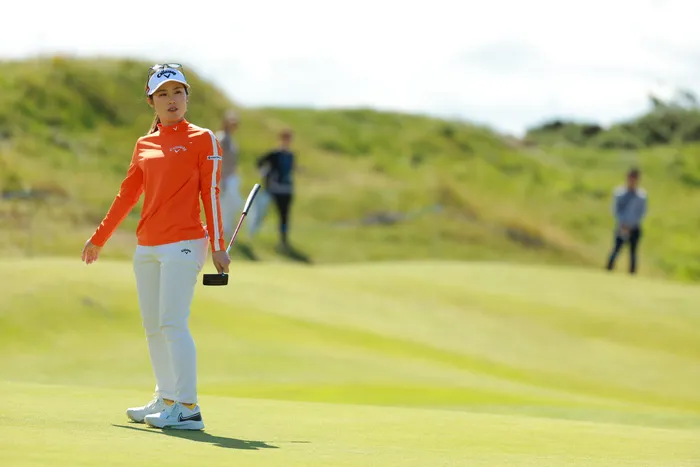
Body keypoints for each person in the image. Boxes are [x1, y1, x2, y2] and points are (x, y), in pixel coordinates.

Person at [80, 63, 230, 430]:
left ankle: (188, 408)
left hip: (184, 242)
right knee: (153, 327)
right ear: (151, 101)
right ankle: (167, 397)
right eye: (162, 94)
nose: (171, 99)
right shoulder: (144, 144)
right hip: (147, 246)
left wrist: (217, 245)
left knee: (172, 323)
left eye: (177, 92)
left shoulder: (203, 138)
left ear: (187, 96)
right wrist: (99, 238)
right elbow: (127, 195)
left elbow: (210, 193)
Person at [256, 129, 296, 250]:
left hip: (286, 189)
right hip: (273, 190)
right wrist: (265, 176)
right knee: (262, 212)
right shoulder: (274, 154)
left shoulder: (291, 155)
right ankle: (255, 237)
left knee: (284, 216)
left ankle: (283, 240)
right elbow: (260, 162)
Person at [605, 167, 648, 274]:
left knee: (633, 252)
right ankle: (608, 269)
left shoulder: (641, 196)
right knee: (616, 249)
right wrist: (623, 223)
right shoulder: (619, 193)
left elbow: (642, 212)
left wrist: (632, 224)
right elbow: (616, 210)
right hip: (621, 226)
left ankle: (632, 273)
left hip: (634, 227)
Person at [216, 110, 243, 240]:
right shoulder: (222, 137)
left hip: (231, 176)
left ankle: (227, 229)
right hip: (224, 177)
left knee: (233, 203)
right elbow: (219, 157)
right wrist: (222, 176)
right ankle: (223, 231)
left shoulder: (231, 138)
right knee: (226, 203)